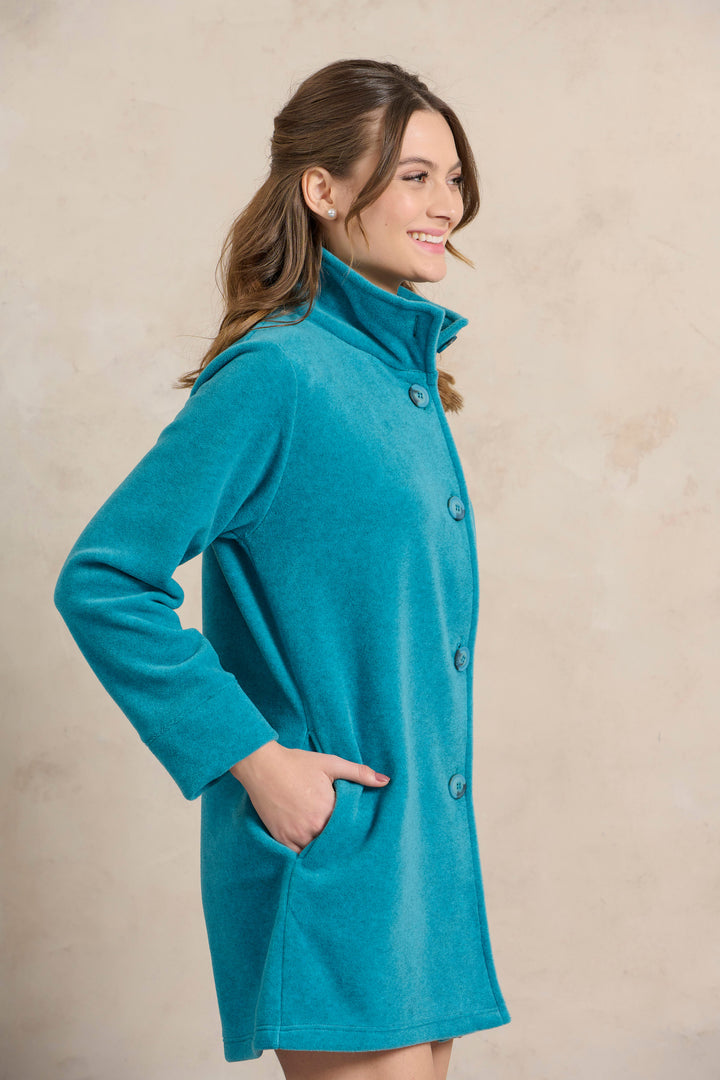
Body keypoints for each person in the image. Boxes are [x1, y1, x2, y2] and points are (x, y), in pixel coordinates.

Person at [53, 58, 511, 1079]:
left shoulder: (395, 376)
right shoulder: (280, 371)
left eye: (453, 178)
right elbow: (105, 578)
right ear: (324, 189)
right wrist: (258, 763)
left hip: (417, 861)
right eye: (415, 177)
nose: (448, 205)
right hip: (335, 861)